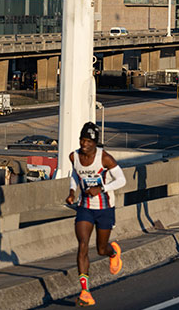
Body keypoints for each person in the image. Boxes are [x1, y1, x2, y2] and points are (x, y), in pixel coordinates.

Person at [66, 122, 126, 307]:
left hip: (105, 208)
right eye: (82, 140)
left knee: (101, 249)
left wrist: (101, 188)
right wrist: (72, 191)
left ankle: (113, 253)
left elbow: (121, 180)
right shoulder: (74, 156)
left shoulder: (105, 158)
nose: (84, 144)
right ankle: (85, 292)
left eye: (88, 141)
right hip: (85, 207)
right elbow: (75, 174)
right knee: (83, 245)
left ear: (95, 143)